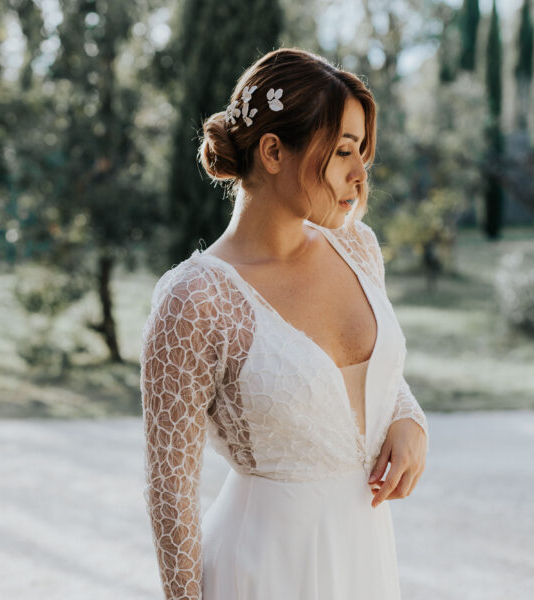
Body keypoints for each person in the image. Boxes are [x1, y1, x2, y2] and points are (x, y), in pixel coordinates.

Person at [139, 47, 429, 600]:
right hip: (264, 570)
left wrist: (410, 421)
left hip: (364, 559)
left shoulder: (358, 249)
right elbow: (169, 493)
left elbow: (371, 379)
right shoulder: (195, 300)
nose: (359, 174)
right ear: (273, 151)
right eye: (344, 150)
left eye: (362, 151)